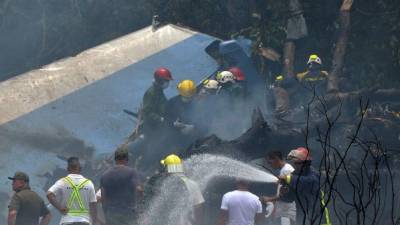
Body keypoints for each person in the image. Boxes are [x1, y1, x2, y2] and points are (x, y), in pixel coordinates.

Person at [144, 154, 204, 225]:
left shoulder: (165, 187)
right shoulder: (193, 184)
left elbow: (156, 211)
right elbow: (198, 210)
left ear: (169, 169)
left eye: (165, 167)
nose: (164, 171)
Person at [279, 147, 331, 225]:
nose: (295, 165)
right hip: (302, 217)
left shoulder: (313, 173)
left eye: (298, 163)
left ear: (306, 163)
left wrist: (288, 179)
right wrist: (284, 193)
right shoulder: (294, 176)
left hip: (319, 218)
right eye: (294, 163)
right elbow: (289, 199)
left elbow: (310, 181)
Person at [47, 157, 97, 225]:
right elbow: (93, 205)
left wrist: (60, 208)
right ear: (80, 169)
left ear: (67, 169)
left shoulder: (62, 181)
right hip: (84, 221)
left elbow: (49, 194)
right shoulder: (89, 183)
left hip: (67, 221)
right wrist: (94, 222)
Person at [100, 148, 143, 225]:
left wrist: (106, 212)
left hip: (112, 213)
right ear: (126, 159)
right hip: (128, 212)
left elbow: (103, 197)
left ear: (115, 159)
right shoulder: (132, 172)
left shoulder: (105, 175)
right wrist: (139, 207)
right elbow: (139, 190)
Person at [261, 151, 296, 225]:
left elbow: (287, 195)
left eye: (270, 162)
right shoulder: (285, 170)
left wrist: (269, 199)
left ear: (276, 159)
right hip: (284, 212)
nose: (269, 165)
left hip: (286, 213)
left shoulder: (286, 170)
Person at [140, 67, 173, 136]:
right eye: (167, 81)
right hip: (152, 126)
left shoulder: (159, 91)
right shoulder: (151, 93)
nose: (168, 83)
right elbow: (147, 112)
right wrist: (160, 119)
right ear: (160, 81)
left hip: (159, 122)